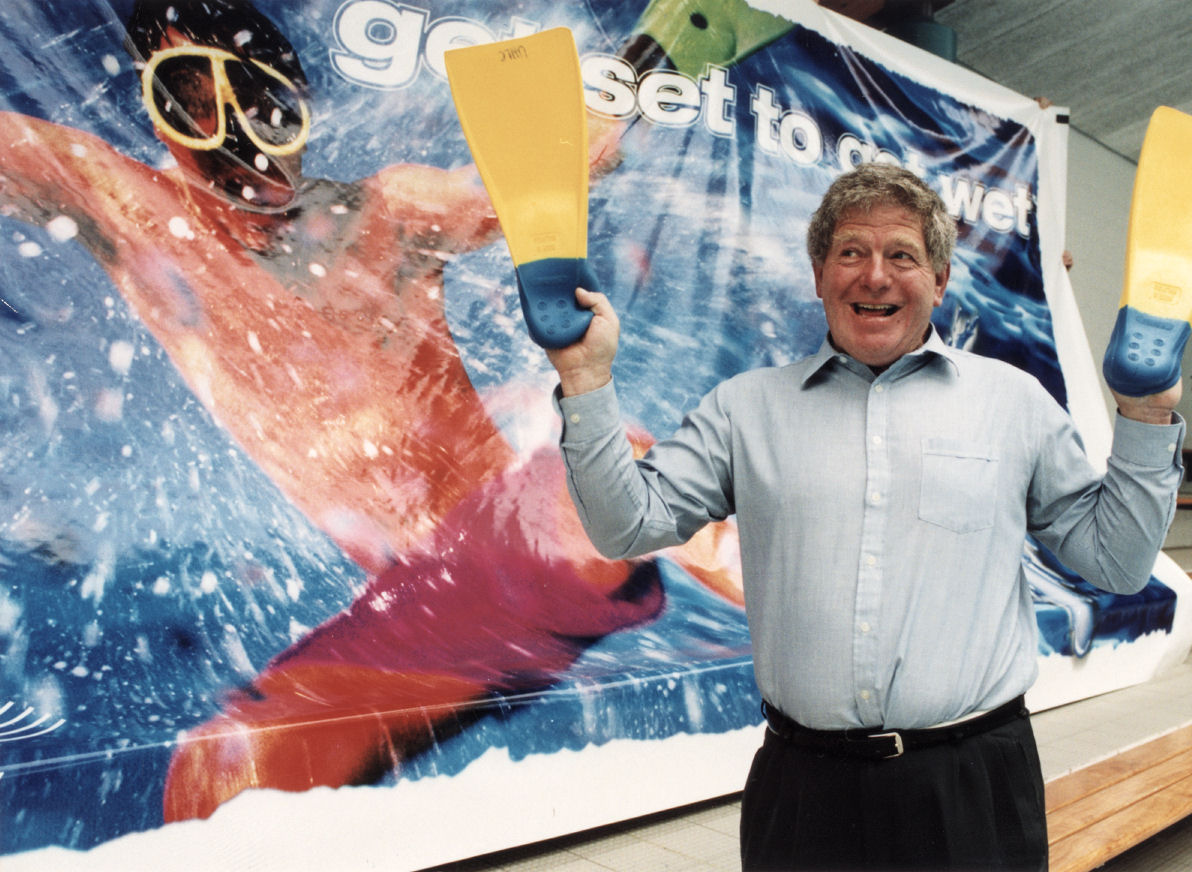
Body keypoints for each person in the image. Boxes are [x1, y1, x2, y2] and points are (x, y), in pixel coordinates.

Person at [0, 0, 740, 821]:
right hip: (435, 616)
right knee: (212, 783)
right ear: (157, 109)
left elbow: (562, 166)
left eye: (259, 100)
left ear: (295, 109)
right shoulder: (127, 206)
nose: (236, 133)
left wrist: (659, 47)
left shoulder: (387, 212)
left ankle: (820, 586)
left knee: (570, 449)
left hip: (533, 552)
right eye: (194, 101)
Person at [547, 162, 1184, 871]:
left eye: (902, 255)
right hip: (805, 791)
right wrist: (584, 379)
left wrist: (1148, 414)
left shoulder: (1015, 404)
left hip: (973, 786)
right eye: (851, 252)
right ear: (819, 274)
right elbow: (624, 527)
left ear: (940, 281)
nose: (874, 276)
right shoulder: (745, 409)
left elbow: (1118, 562)